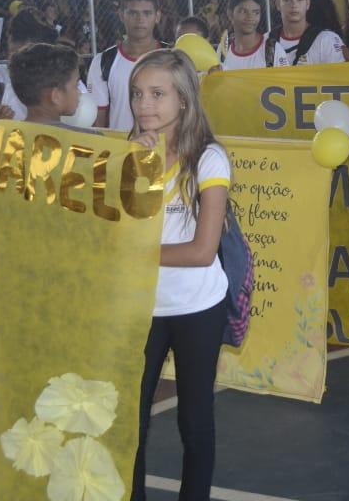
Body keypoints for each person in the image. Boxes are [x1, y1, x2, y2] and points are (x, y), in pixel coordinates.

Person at [128, 48, 231, 501]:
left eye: (156, 94)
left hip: (196, 308)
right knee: (130, 423)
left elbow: (202, 251)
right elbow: (117, 228)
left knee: (194, 420)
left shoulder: (210, 160)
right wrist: (135, 167)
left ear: (184, 100)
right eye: (137, 94)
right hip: (140, 308)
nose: (143, 104)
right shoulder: (127, 154)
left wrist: (132, 258)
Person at [88, 0, 167, 130]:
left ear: (157, 17)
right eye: (133, 13)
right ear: (121, 15)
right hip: (121, 150)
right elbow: (98, 120)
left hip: (167, 149)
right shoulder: (103, 62)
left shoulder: (173, 58)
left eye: (147, 13)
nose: (140, 19)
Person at [269, 0, 349, 66]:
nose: (294, 5)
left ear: (307, 4)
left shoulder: (326, 40)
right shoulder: (266, 40)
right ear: (277, 4)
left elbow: (339, 77)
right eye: (287, 0)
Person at [9, 42, 83, 126]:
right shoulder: (83, 137)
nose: (79, 93)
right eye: (76, 85)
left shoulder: (4, 135)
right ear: (56, 96)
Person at [218, 0, 267, 70]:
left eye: (256, 12)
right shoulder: (223, 48)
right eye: (243, 11)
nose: (250, 18)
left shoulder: (272, 50)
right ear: (230, 14)